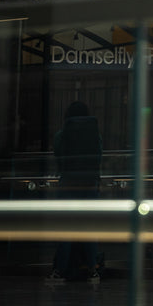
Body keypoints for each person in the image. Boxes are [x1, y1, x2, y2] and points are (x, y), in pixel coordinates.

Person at [48, 101, 102, 283]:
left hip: (68, 184)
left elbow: (58, 155)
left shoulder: (62, 135)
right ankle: (93, 270)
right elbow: (99, 157)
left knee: (65, 230)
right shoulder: (95, 135)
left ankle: (60, 270)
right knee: (89, 230)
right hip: (89, 184)